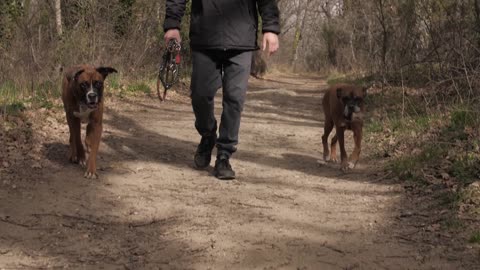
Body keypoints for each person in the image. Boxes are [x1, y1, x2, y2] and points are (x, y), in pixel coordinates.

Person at [164, 0, 280, 180]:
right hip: (205, 36)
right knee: (200, 94)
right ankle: (208, 134)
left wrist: (270, 28)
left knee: (235, 98)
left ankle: (224, 155)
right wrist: (172, 24)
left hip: (242, 38)